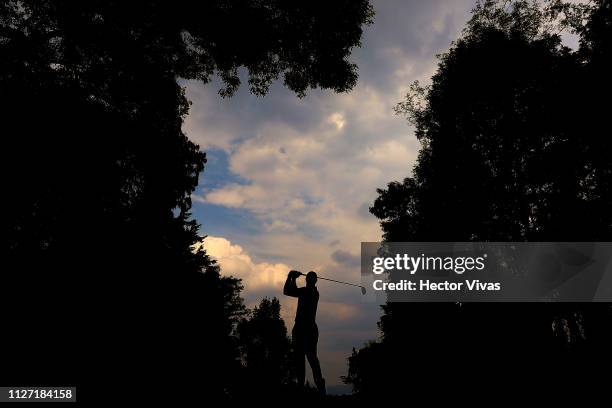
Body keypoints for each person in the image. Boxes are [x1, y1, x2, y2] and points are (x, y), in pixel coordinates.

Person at [283, 270, 326, 394]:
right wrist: (290, 277)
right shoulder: (305, 291)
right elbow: (287, 291)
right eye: (309, 278)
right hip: (299, 328)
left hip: (309, 329)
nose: (310, 280)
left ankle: (321, 388)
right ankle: (300, 388)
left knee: (312, 359)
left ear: (315, 281)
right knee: (299, 360)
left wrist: (292, 277)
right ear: (307, 280)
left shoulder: (313, 292)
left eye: (312, 278)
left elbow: (290, 291)